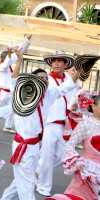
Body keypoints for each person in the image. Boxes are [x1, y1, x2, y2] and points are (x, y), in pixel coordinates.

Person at [1, 62, 79, 200]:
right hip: (23, 145)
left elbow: (66, 87)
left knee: (22, 181)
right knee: (29, 185)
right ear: (33, 82)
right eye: (41, 78)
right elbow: (14, 81)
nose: (44, 81)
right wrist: (19, 60)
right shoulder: (23, 95)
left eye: (46, 79)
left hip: (36, 145)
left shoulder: (49, 94)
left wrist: (80, 70)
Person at [36, 50, 78, 197]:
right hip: (48, 123)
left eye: (60, 61)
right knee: (46, 156)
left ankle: (39, 172)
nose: (56, 64)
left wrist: (75, 106)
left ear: (65, 64)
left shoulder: (69, 78)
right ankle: (43, 185)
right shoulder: (47, 80)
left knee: (63, 155)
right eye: (54, 61)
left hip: (64, 124)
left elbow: (74, 98)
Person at [46, 95, 100, 200]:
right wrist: (76, 162)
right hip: (87, 172)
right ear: (93, 106)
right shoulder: (86, 125)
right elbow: (70, 145)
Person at [0, 49, 18, 133]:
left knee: (11, 109)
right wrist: (9, 54)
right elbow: (6, 64)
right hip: (2, 92)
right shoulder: (2, 66)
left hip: (10, 92)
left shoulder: (9, 67)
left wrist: (23, 46)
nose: (12, 60)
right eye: (9, 58)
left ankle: (8, 126)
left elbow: (15, 57)